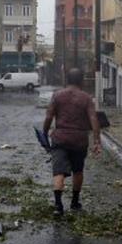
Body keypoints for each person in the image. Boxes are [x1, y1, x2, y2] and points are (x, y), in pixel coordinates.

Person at [43, 68, 101, 217]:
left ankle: (58, 205)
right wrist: (96, 141)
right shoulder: (86, 98)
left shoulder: (57, 96)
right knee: (78, 170)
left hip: (60, 138)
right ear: (81, 81)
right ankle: (75, 202)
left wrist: (44, 133)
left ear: (67, 80)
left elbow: (49, 117)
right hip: (79, 140)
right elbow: (94, 119)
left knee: (58, 171)